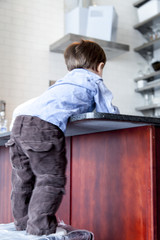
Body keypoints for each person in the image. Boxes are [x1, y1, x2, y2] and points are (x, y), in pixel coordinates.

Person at [6, 39, 119, 236]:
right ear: (100, 66)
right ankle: (40, 229)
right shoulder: (94, 80)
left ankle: (22, 224)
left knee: (23, 180)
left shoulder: (62, 82)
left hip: (18, 126)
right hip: (43, 128)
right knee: (50, 179)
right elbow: (108, 112)